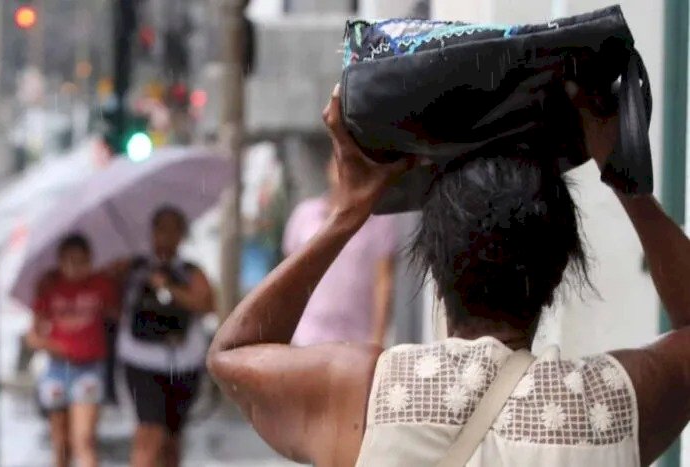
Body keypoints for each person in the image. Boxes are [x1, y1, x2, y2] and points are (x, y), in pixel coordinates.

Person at [207, 83, 690, 467]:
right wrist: (625, 183)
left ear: (434, 268)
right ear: (560, 271)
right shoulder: (611, 408)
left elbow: (232, 355)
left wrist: (347, 214)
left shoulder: (362, 394)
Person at [112, 205, 214, 467]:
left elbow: (206, 304)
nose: (167, 236)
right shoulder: (134, 268)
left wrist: (168, 286)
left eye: (174, 229)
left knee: (171, 439)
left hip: (182, 364)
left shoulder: (190, 271)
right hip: (141, 362)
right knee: (149, 433)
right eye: (161, 229)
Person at [283, 155, 397, 345]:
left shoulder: (379, 221)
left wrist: (377, 340)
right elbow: (287, 278)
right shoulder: (304, 215)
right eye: (338, 160)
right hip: (306, 337)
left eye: (351, 163)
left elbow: (383, 282)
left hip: (355, 340)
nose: (343, 169)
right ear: (329, 166)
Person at [28, 233, 118, 467]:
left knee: (84, 441)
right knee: (60, 443)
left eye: (81, 261)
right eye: (69, 261)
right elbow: (33, 336)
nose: (75, 268)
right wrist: (52, 346)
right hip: (56, 368)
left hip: (89, 368)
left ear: (90, 260)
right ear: (59, 261)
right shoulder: (49, 286)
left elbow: (118, 314)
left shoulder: (101, 284)